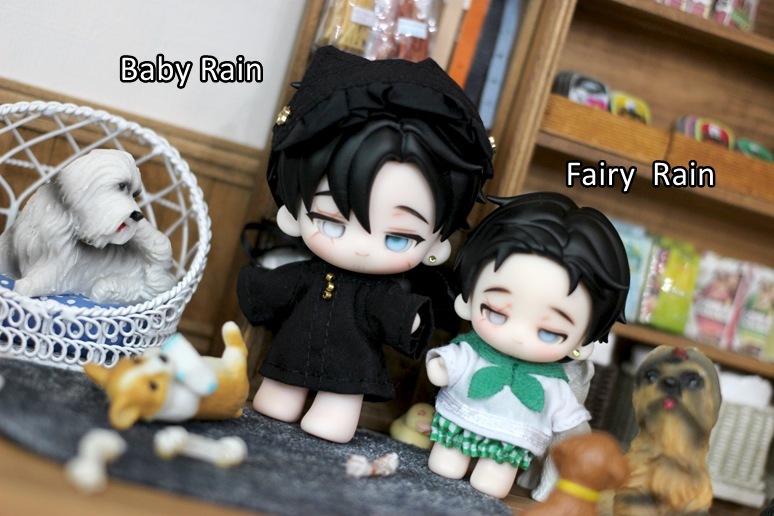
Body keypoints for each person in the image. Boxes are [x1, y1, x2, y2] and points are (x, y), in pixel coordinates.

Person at [237, 46, 494, 443]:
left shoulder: (380, 293)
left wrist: (410, 321)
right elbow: (278, 288)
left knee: (336, 408)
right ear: (293, 212)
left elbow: (394, 313)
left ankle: (331, 413)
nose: (360, 247)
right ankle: (284, 396)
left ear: (436, 244)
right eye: (332, 222)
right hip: (292, 352)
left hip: (351, 369)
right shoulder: (307, 274)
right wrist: (257, 288)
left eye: (397, 237)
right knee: (277, 397)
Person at [426, 192, 630, 497]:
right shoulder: (473, 349)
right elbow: (451, 361)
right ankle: (452, 456)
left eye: (549, 332)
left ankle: (494, 472)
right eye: (496, 313)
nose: (518, 335)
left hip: (510, 440)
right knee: (446, 462)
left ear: (582, 343)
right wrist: (441, 366)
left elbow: (567, 416)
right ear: (468, 299)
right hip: (462, 419)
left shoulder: (554, 382)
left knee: (492, 482)